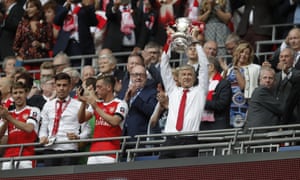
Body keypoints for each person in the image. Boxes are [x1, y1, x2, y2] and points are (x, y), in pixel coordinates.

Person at [159, 33, 209, 159]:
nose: (186, 77)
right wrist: (169, 43)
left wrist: (196, 44)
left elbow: (204, 67)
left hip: (189, 140)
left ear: (194, 78)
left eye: (189, 74)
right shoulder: (173, 90)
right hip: (169, 140)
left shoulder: (200, 91)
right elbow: (164, 66)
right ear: (178, 78)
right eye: (183, 75)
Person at [39, 72, 90, 166]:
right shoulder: (48, 105)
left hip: (69, 148)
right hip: (50, 148)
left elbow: (86, 130)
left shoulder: (78, 105)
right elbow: (43, 128)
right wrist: (42, 137)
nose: (61, 88)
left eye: (64, 85)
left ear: (70, 87)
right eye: (58, 85)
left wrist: (78, 138)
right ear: (55, 86)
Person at [77, 75, 128, 164]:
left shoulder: (120, 104)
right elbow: (81, 119)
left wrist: (96, 107)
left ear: (109, 87)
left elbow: (115, 121)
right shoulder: (97, 104)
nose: (96, 90)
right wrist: (83, 102)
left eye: (99, 87)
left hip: (110, 152)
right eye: (96, 87)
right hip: (93, 152)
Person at [0, 82, 41, 170]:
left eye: (21, 92)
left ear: (26, 93)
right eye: (15, 93)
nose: (18, 95)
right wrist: (6, 121)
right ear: (12, 96)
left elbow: (29, 128)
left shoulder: (33, 110)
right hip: (8, 157)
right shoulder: (8, 114)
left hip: (26, 157)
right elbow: (1, 137)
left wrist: (8, 117)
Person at [222, 42, 261, 128]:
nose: (243, 55)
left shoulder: (254, 68)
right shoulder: (229, 68)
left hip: (245, 103)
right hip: (230, 104)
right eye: (241, 52)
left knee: (242, 128)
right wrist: (225, 72)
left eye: (246, 53)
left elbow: (243, 87)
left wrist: (237, 71)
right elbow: (222, 85)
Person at [53, 0, 98, 66]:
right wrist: (66, 7)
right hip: (66, 45)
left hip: (82, 45)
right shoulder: (62, 6)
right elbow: (56, 21)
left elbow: (94, 22)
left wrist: (88, 7)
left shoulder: (84, 6)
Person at [200, 56, 232, 131]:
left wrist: (201, 103)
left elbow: (222, 104)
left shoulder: (224, 84)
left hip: (217, 128)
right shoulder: (200, 85)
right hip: (201, 126)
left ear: (210, 67)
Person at [275, 47, 300, 125]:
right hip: (275, 116)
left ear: (293, 60)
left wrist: (286, 72)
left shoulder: (298, 73)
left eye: (286, 56)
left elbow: (296, 80)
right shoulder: (274, 76)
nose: (283, 59)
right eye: (281, 57)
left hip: (293, 116)